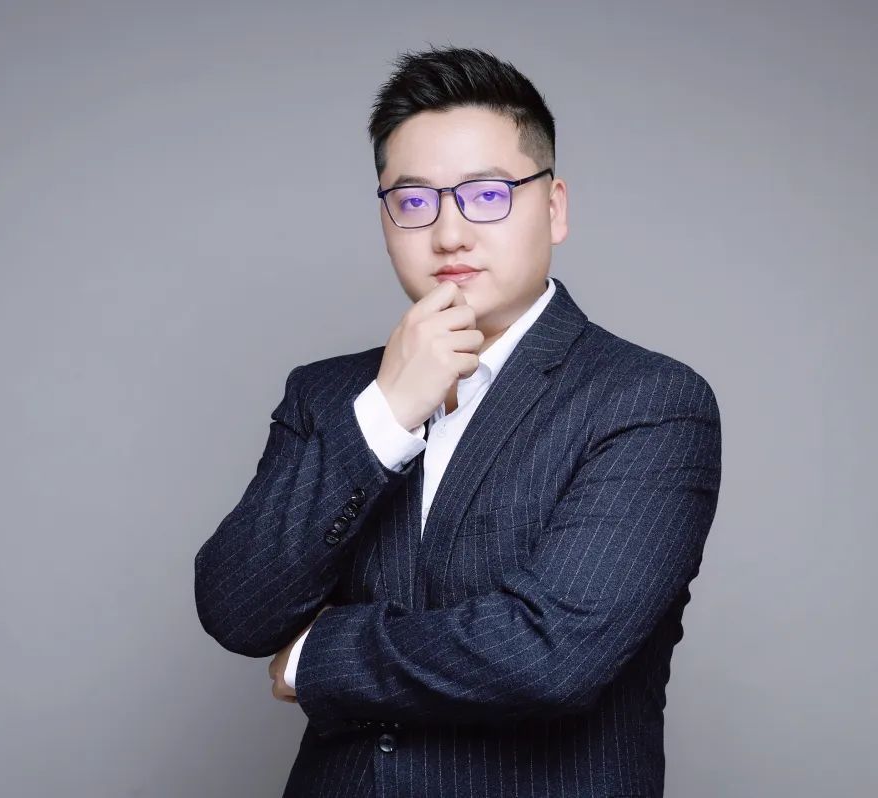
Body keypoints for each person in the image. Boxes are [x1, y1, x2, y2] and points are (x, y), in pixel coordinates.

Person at [194, 45, 722, 798]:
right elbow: (236, 610)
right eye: (413, 201)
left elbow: (551, 654)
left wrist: (320, 655)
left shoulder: (648, 401)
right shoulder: (329, 395)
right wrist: (386, 414)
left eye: (486, 194)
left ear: (554, 207)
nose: (448, 234)